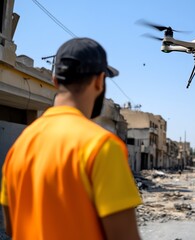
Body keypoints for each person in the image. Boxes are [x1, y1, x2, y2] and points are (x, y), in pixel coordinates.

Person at [0, 38, 142, 240]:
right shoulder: (101, 146)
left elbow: (11, 227)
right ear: (99, 81)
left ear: (55, 81)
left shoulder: (20, 146)